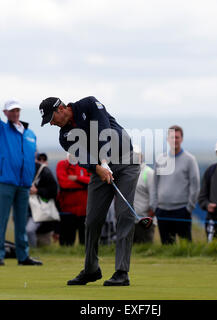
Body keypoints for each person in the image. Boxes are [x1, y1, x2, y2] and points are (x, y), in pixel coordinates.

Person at [39, 95, 140, 286]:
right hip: (99, 170)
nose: (51, 124)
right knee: (92, 219)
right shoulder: (64, 136)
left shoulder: (89, 104)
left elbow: (104, 130)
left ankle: (121, 272)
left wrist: (104, 159)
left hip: (126, 162)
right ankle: (91, 269)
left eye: (51, 118)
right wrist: (99, 167)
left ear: (60, 108)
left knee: (124, 215)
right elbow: (83, 157)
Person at [0, 71, 42, 266]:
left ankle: (23, 256)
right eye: (11, 110)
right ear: (5, 113)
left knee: (21, 222)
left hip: (24, 184)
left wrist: (30, 181)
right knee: (1, 220)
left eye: (17, 110)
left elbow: (29, 159)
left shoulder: (30, 134)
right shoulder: (0, 129)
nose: (15, 113)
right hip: (5, 182)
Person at [152, 125, 200, 245]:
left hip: (182, 210)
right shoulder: (160, 159)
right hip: (162, 210)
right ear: (168, 139)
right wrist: (154, 206)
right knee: (167, 246)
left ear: (182, 139)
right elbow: (154, 184)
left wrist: (189, 207)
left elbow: (195, 185)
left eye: (177, 137)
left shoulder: (190, 160)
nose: (175, 140)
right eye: (172, 137)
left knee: (186, 246)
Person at [56, 153, 91, 246]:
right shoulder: (62, 164)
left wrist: (76, 178)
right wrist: (83, 183)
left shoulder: (86, 164)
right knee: (66, 241)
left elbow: (92, 181)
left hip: (84, 208)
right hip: (67, 208)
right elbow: (64, 183)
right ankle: (66, 256)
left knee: (85, 240)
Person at [26, 153, 59, 247]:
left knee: (29, 230)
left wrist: (38, 191)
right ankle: (30, 251)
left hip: (40, 210)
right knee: (28, 231)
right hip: (29, 210)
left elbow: (53, 191)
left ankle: (31, 252)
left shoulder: (45, 171)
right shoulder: (25, 170)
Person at [132, 146, 156, 244]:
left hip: (145, 220)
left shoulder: (148, 173)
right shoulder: (127, 172)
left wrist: (150, 216)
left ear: (141, 156)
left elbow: (154, 196)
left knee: (144, 248)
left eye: (137, 155)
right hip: (130, 220)